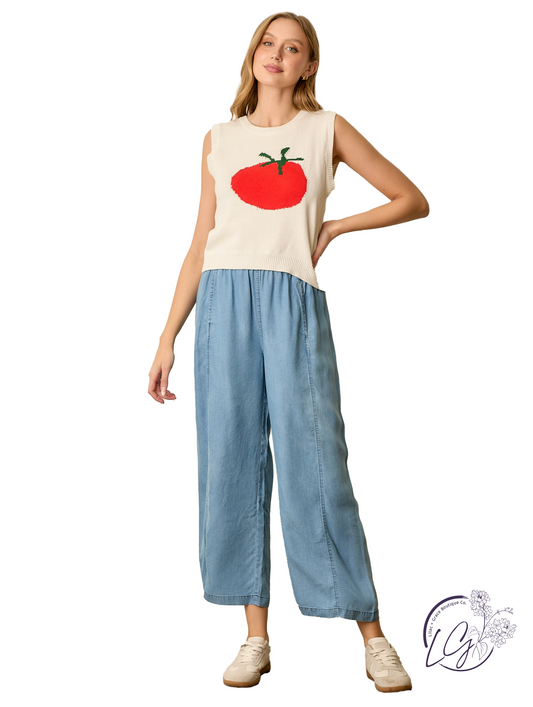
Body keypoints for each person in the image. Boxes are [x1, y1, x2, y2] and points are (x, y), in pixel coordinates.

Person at [148, 11, 429, 693]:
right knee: (231, 461)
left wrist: (334, 225)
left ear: (309, 65)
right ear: (253, 55)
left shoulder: (325, 129)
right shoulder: (218, 139)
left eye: (292, 47)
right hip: (221, 303)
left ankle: (372, 633)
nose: (276, 55)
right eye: (268, 44)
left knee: (317, 464)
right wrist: (167, 336)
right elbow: (200, 242)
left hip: (292, 300)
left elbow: (411, 199)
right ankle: (255, 637)